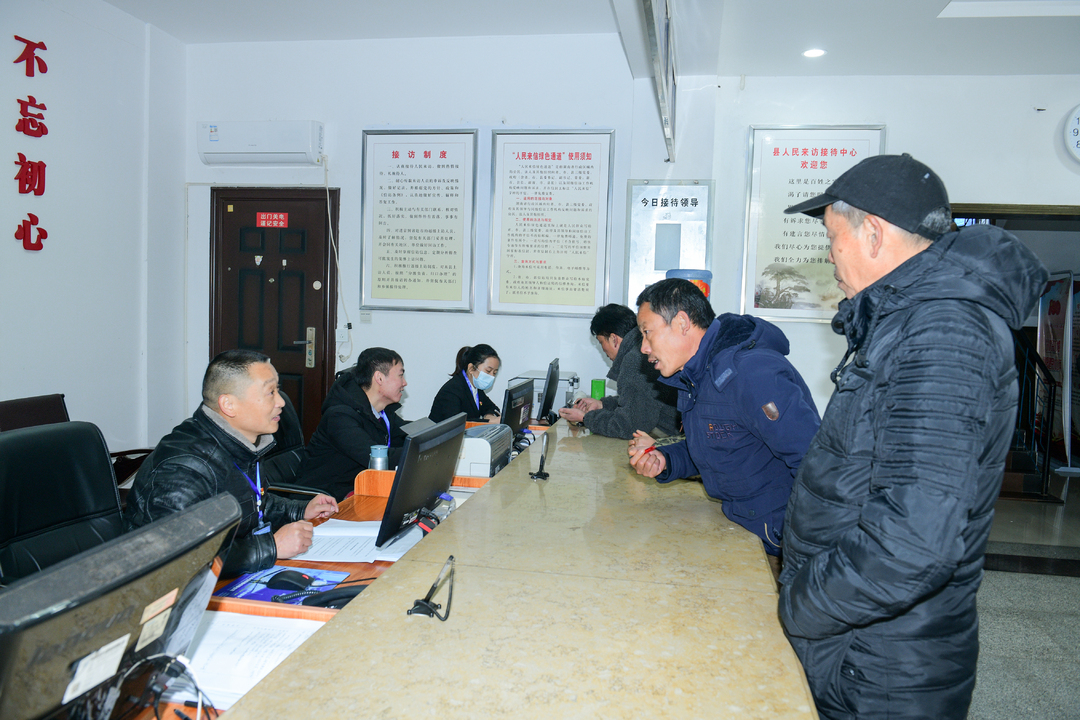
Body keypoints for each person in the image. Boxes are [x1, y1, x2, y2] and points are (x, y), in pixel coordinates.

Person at [778, 154, 1048, 719]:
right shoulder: (906, 321)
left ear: (873, 233)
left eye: (832, 238)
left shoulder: (944, 333)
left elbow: (913, 541)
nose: (829, 256)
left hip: (880, 666)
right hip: (860, 639)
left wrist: (799, 606)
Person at [628, 279, 820, 558]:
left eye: (647, 332)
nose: (644, 347)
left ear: (681, 323)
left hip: (780, 539)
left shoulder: (751, 373)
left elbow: (814, 461)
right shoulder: (697, 375)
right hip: (744, 526)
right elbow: (719, 443)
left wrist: (805, 547)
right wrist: (666, 460)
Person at [124, 350, 338, 577]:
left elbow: (254, 502)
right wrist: (272, 546)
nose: (281, 402)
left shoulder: (241, 442)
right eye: (270, 392)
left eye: (278, 390)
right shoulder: (183, 467)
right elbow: (180, 560)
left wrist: (301, 510)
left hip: (230, 575)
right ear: (228, 404)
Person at [297, 347, 410, 500]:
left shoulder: (382, 412)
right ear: (379, 378)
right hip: (323, 500)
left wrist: (435, 435)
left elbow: (408, 434)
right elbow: (375, 457)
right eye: (400, 375)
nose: (404, 383)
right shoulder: (339, 416)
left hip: (355, 492)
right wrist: (419, 453)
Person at [559, 304, 678, 440]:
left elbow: (628, 427)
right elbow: (639, 403)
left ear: (614, 339)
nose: (603, 350)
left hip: (672, 438)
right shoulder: (641, 350)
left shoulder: (635, 359)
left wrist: (586, 418)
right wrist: (603, 404)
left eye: (601, 342)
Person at [429, 344, 501, 423]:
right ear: (471, 368)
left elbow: (492, 408)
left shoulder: (477, 387)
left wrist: (489, 415)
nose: (491, 376)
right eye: (488, 371)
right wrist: (487, 422)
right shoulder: (452, 390)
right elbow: (456, 423)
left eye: (494, 373)